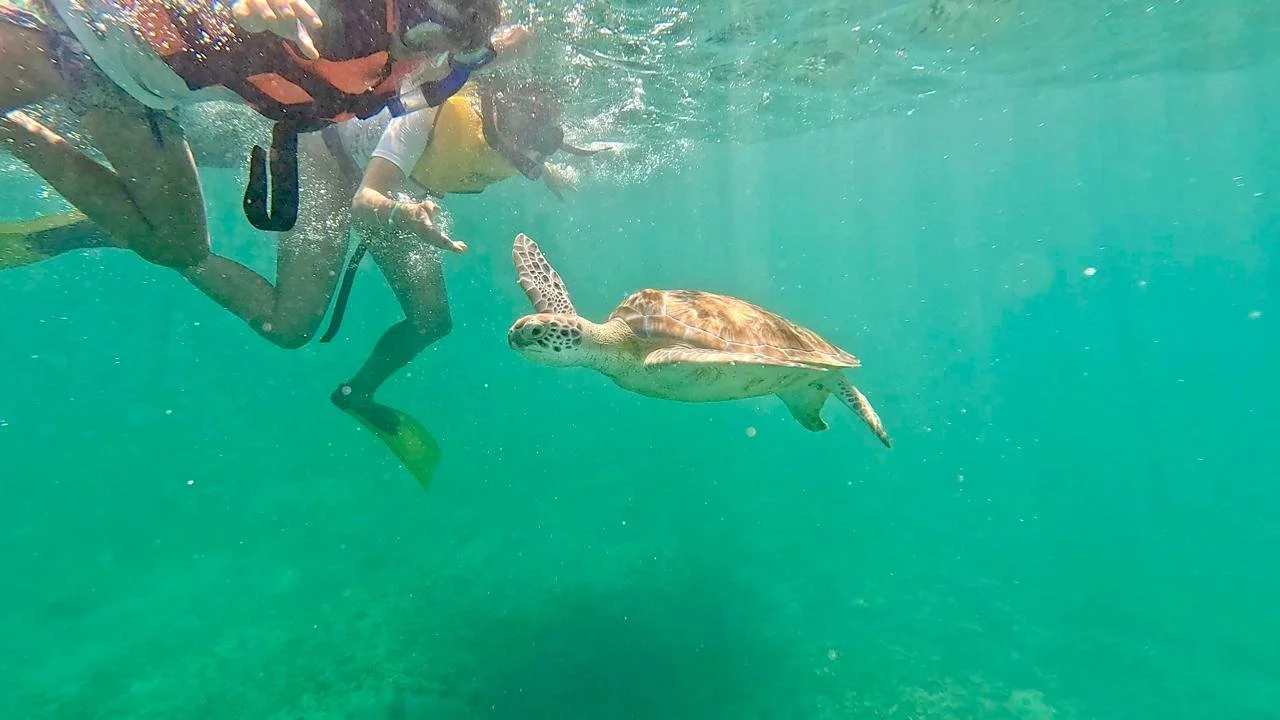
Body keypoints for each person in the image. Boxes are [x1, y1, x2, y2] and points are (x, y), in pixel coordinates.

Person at [0, 75, 606, 488]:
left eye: (526, 153)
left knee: (432, 321)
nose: (514, 158)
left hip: (403, 200)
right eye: (512, 146)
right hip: (334, 170)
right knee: (291, 326)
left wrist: (547, 165)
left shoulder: (517, 137)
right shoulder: (423, 118)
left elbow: (522, 144)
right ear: (488, 114)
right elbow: (370, 198)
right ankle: (133, 232)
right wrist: (402, 214)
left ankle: (356, 396)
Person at [0, 0, 509, 273]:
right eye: (437, 36)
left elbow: (405, 89)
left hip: (132, 94)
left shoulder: (401, 61)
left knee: (179, 248)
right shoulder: (331, 12)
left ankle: (11, 131)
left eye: (455, 50)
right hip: (68, 34)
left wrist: (491, 52)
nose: (432, 57)